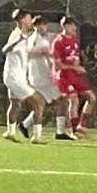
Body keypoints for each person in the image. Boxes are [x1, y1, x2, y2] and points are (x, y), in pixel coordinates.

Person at [2, 9, 42, 143]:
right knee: (38, 101)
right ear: (23, 20)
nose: (31, 21)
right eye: (29, 18)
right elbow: (5, 49)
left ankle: (10, 132)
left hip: (16, 76)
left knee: (16, 104)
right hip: (14, 77)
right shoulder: (17, 35)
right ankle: (37, 136)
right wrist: (17, 41)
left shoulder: (26, 36)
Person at [27, 15, 69, 143]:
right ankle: (53, 132)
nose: (40, 27)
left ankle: (27, 125)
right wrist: (43, 52)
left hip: (49, 76)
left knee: (54, 101)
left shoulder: (50, 37)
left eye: (42, 24)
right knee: (55, 100)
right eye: (37, 25)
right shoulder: (32, 39)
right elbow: (27, 53)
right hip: (39, 76)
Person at [53, 16, 96, 138]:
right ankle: (74, 130)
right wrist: (74, 68)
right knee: (74, 100)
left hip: (75, 76)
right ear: (65, 26)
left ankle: (82, 125)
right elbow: (57, 65)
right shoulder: (58, 42)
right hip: (64, 77)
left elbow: (75, 58)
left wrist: (78, 67)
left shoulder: (74, 39)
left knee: (92, 98)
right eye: (72, 26)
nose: (74, 28)